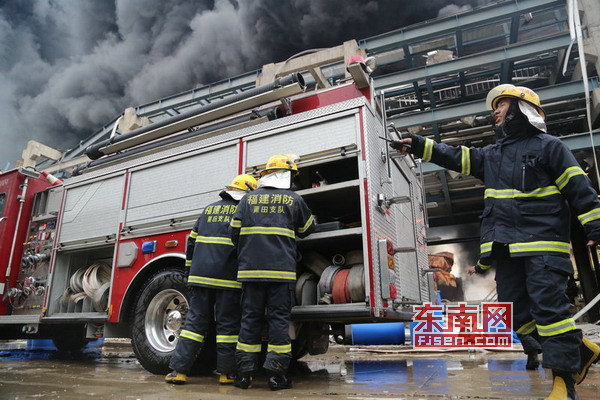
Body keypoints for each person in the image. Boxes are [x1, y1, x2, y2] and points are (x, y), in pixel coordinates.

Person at [393, 84, 600, 399]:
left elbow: (579, 189)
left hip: (543, 247)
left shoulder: (550, 147)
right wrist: (420, 145)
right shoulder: (492, 155)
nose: (495, 111)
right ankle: (579, 350)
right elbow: (457, 156)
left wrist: (596, 227)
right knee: (516, 314)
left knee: (550, 312)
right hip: (506, 250)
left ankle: (564, 384)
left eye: (501, 105)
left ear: (521, 108)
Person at [230, 154, 316, 391]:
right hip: (281, 273)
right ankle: (276, 377)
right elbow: (308, 228)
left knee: (249, 320)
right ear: (286, 175)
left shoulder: (246, 200)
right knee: (279, 322)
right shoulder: (294, 200)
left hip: (250, 273)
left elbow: (234, 233)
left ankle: (244, 376)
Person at [165, 174, 258, 385]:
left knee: (194, 324)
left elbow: (191, 243)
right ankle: (226, 374)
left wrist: (189, 272)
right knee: (227, 327)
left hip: (200, 277)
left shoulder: (208, 210)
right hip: (228, 279)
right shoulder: (243, 212)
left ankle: (179, 372)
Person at [468, 260, 542, 370]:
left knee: (517, 316)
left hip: (511, 276)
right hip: (535, 271)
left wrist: (478, 267)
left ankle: (532, 346)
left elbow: (489, 252)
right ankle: (545, 351)